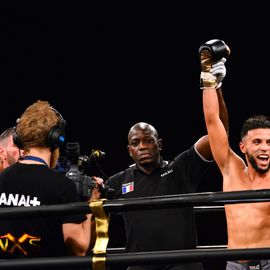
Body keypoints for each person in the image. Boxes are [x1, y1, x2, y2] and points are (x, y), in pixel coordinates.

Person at [104, 39, 230, 270]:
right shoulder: (118, 182)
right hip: (138, 266)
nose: (142, 146)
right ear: (129, 150)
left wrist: (214, 86)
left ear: (159, 144)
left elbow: (218, 135)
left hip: (183, 266)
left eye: (148, 140)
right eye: (136, 143)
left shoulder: (181, 167)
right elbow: (92, 215)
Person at [0, 100, 99, 261]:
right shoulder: (62, 186)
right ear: (56, 139)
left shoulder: (2, 179)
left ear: (20, 138)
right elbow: (77, 249)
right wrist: (90, 206)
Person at [202, 48, 270, 268]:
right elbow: (213, 121)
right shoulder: (232, 170)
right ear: (243, 147)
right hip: (236, 265)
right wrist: (209, 79)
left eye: (269, 143)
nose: (265, 148)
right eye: (257, 142)